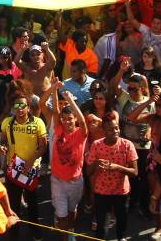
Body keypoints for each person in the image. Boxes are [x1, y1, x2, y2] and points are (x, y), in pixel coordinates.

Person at [0, 93, 48, 240]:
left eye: (23, 106)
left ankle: (35, 231)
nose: (20, 109)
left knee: (32, 202)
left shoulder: (38, 122)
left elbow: (43, 147)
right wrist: (2, 147)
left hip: (30, 168)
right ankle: (14, 234)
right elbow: (3, 141)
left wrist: (30, 160)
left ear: (28, 107)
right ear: (13, 108)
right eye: (17, 106)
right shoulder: (7, 122)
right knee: (13, 203)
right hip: (13, 168)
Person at [86, 114, 138, 241]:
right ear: (104, 131)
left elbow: (135, 172)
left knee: (122, 222)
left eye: (116, 128)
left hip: (121, 192)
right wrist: (96, 164)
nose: (115, 131)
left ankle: (121, 238)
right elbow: (88, 172)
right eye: (111, 129)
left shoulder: (127, 145)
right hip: (102, 192)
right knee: (102, 228)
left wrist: (117, 167)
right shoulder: (96, 145)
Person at [50, 83, 88, 241]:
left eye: (70, 119)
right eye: (64, 119)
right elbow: (56, 111)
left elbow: (82, 120)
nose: (67, 122)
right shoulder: (58, 128)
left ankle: (70, 230)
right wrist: (54, 89)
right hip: (57, 180)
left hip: (76, 181)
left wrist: (70, 100)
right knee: (62, 214)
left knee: (72, 211)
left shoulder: (81, 133)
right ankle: (65, 237)